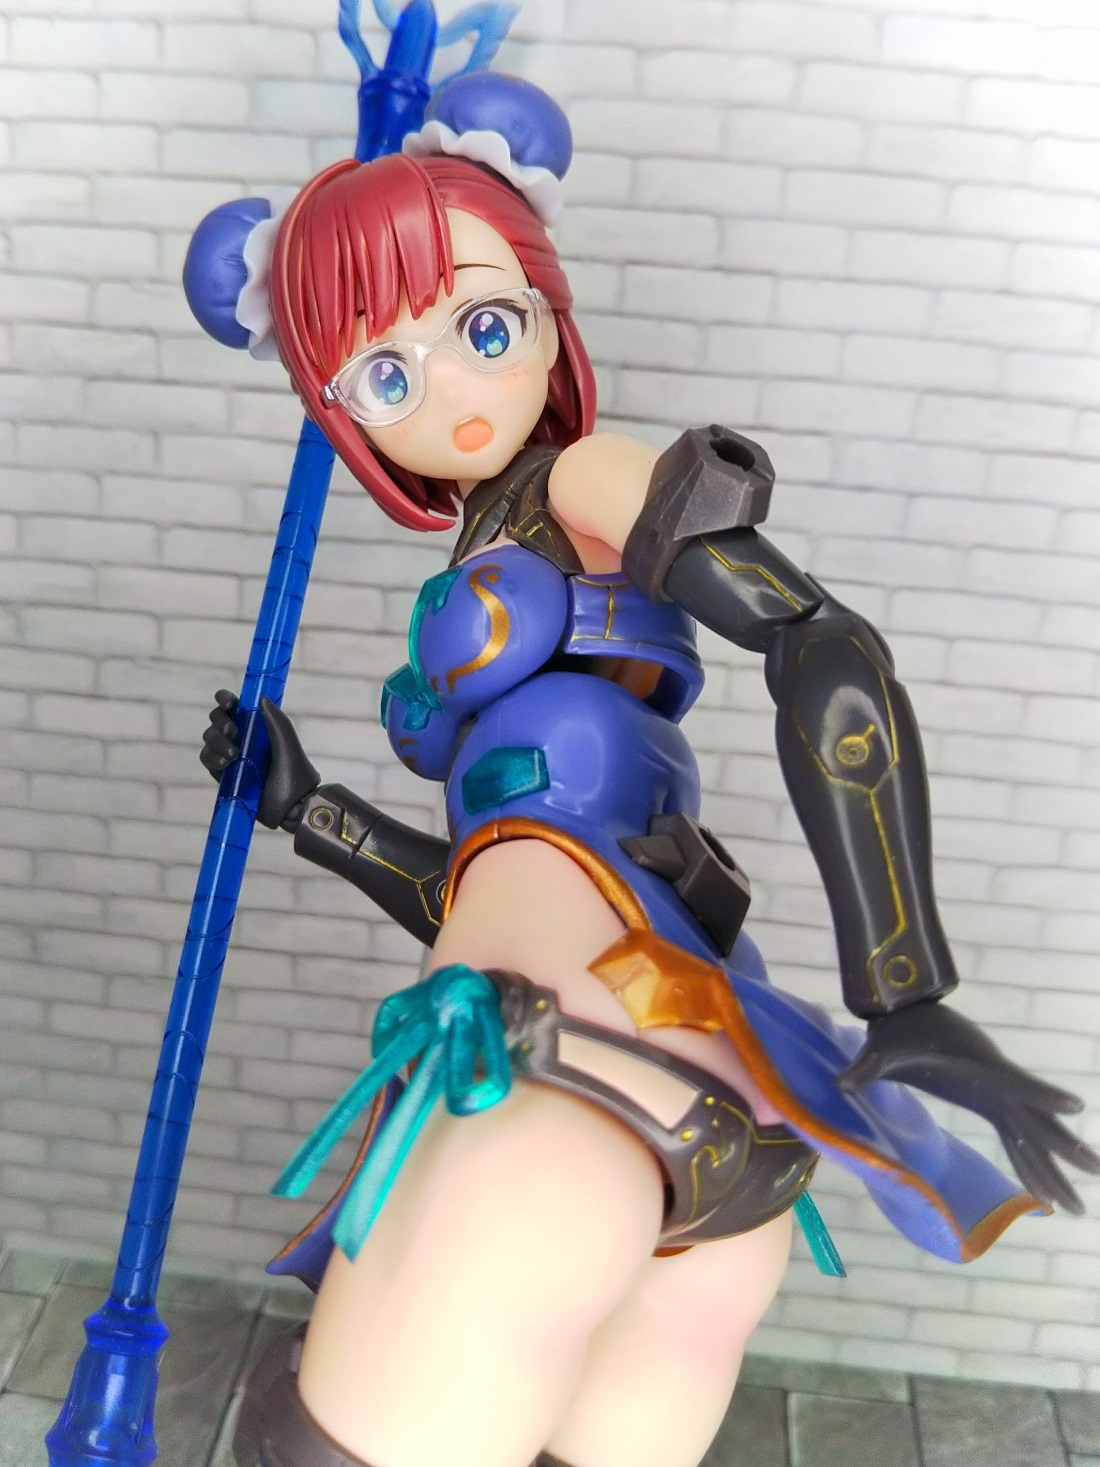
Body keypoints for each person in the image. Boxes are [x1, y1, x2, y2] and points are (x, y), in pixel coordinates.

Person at [186, 72, 1099, 1467]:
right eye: (387, 375)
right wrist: (307, 809)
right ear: (347, 416)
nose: (452, 391)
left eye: (480, 326)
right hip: (669, 1091)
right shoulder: (495, 549)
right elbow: (498, 878)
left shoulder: (580, 483)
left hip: (547, 1075)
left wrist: (902, 980)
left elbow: (818, 645)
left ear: (547, 317)